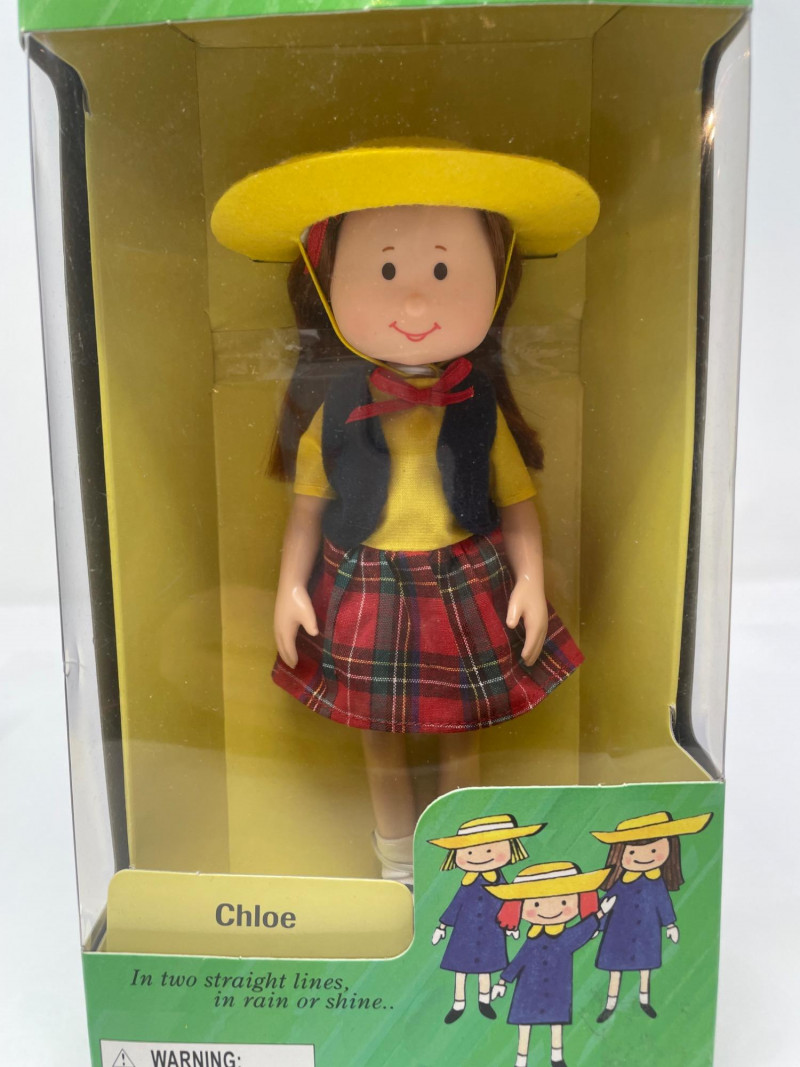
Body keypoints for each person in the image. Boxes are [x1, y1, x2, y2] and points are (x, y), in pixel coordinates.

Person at [211, 144, 599, 882]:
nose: (416, 303)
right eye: (387, 272)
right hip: (367, 587)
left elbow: (518, 504)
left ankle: (459, 862)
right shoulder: (337, 411)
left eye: (444, 272)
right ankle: (397, 864)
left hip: (463, 579)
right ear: (326, 285)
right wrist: (290, 588)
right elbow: (306, 514)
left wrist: (531, 581)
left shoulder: (477, 405)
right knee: (377, 736)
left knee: (464, 732)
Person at [487, 861, 615, 1067]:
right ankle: (521, 1059)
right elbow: (519, 960)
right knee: (524, 1023)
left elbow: (581, 933)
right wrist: (503, 981)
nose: (550, 909)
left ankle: (557, 1056)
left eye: (563, 901)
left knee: (556, 1021)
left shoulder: (566, 938)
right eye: (536, 904)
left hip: (557, 986)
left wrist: (599, 914)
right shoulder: (533, 938)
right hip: (527, 988)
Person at [590, 810, 712, 1021]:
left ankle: (644, 1000)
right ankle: (610, 1004)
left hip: (646, 931)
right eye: (633, 852)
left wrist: (671, 925)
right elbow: (607, 905)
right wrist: (596, 926)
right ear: (619, 854)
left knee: (645, 967)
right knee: (614, 969)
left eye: (654, 850)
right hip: (617, 933)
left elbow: (663, 904)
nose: (644, 856)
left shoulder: (657, 884)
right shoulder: (620, 884)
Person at [428, 814, 545, 1023]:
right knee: (460, 970)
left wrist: (511, 925)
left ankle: (484, 1001)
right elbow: (456, 904)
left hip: (491, 931)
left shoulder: (501, 884)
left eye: (490, 850)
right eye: (469, 852)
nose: (479, 856)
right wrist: (442, 926)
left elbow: (508, 903)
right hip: (464, 932)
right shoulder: (467, 883)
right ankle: (458, 1003)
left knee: (486, 970)